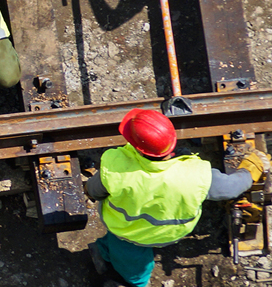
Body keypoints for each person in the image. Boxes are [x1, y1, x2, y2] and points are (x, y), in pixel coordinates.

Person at [86, 108, 270, 287]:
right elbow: (232, 188)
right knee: (123, 250)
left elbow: (94, 191)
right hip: (170, 232)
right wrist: (250, 169)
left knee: (133, 267)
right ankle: (106, 253)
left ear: (138, 148)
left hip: (126, 232)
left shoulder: (116, 168)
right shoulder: (196, 175)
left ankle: (128, 279)